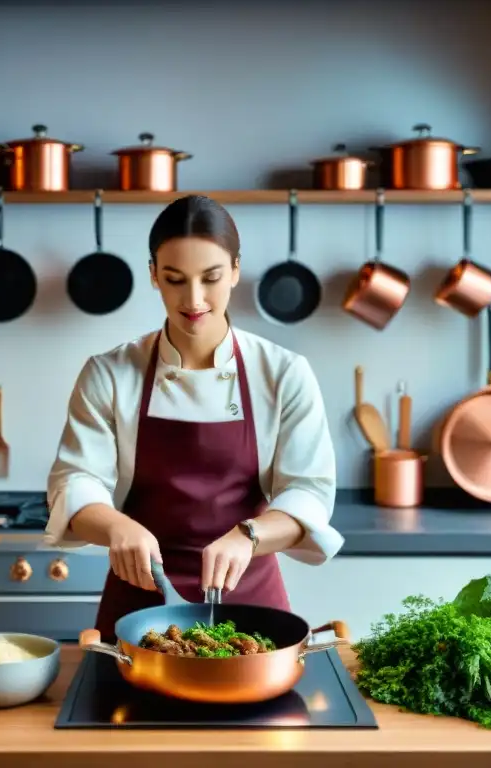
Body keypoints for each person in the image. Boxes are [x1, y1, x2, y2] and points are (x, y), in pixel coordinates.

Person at [45, 194, 343, 640]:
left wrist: (249, 535)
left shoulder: (283, 373)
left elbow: (309, 494)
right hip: (139, 606)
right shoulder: (109, 373)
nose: (194, 299)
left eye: (211, 277)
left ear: (236, 270)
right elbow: (76, 482)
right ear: (153, 275)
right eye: (175, 279)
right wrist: (115, 525)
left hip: (251, 607)